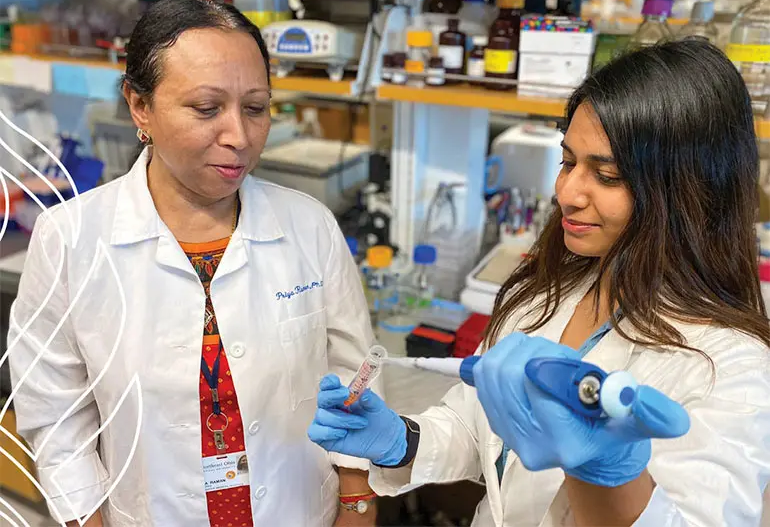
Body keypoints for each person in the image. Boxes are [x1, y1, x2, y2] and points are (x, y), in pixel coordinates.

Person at [308, 39, 770, 526]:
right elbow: (480, 429)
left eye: (606, 175)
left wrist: (605, 469)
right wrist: (402, 440)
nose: (566, 193)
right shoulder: (552, 290)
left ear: (689, 190)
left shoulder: (733, 367)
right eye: (568, 162)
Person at [7, 0, 379, 527]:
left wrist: (358, 503)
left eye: (256, 108)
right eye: (206, 108)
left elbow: (356, 380)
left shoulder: (309, 226)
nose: (239, 137)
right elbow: (56, 417)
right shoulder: (69, 241)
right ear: (140, 106)